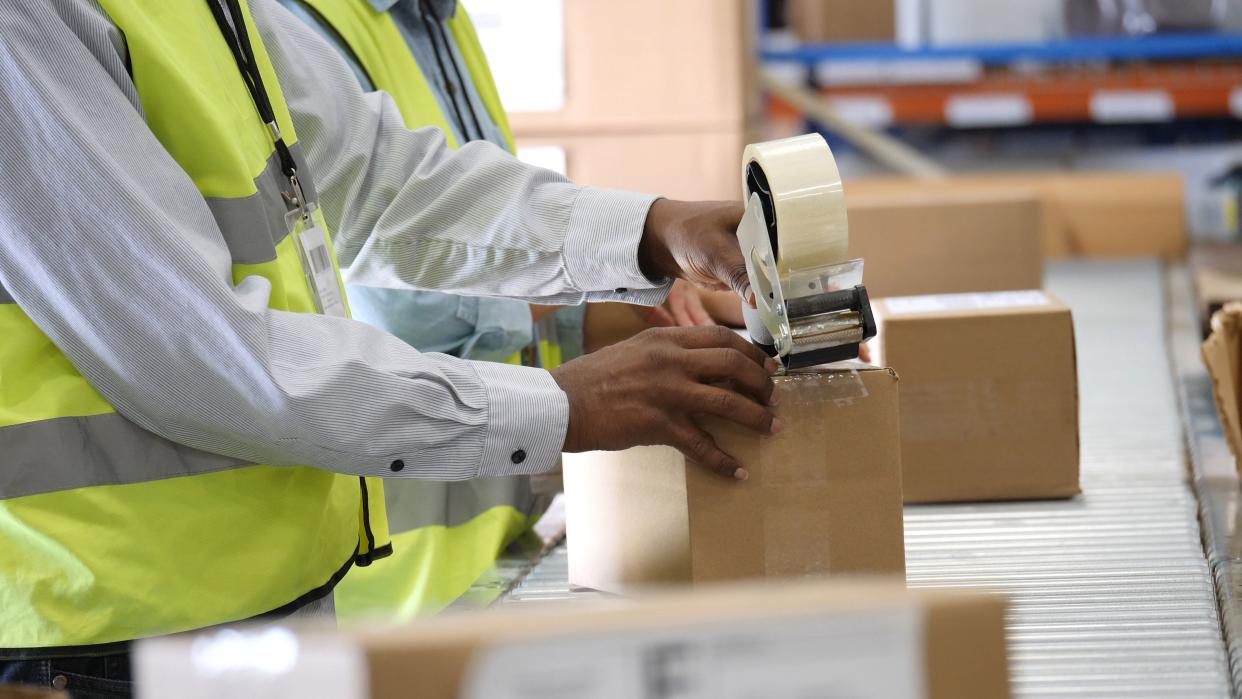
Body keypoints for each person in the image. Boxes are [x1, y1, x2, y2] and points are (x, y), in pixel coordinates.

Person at [0, 0, 776, 695]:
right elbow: (195, 351)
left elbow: (380, 183)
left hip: (272, 594)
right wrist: (567, 404)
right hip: (97, 633)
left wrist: (650, 230)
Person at [276, 0, 744, 622]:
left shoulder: (442, 19)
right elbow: (415, 312)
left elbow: (453, 221)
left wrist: (645, 264)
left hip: (491, 548)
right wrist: (624, 272)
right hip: (390, 583)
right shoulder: (299, 23)